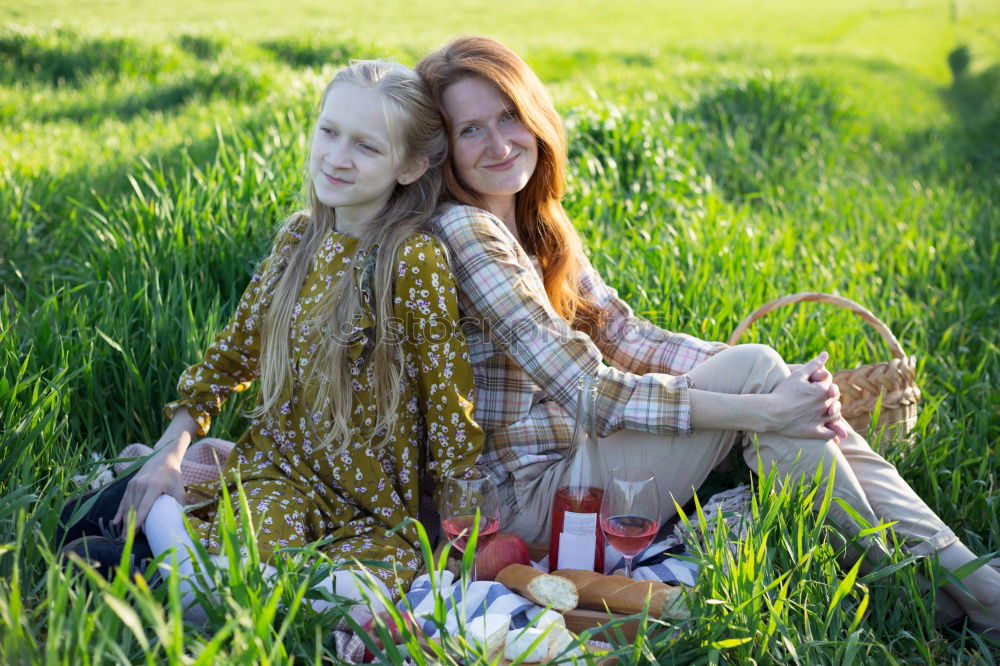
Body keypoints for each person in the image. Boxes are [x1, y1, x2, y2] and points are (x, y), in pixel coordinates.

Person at [414, 36, 999, 633]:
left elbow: (623, 333)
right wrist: (760, 405)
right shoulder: (467, 232)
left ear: (533, 113)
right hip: (525, 506)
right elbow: (591, 391)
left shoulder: (533, 219)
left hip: (576, 467)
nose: (499, 142)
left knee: (768, 377)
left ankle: (969, 586)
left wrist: (778, 387)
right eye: (471, 130)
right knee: (764, 387)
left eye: (510, 115)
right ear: (444, 152)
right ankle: (944, 593)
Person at [58, 60, 484, 624]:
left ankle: (160, 557)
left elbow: (450, 406)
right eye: (329, 131)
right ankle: (162, 530)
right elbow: (228, 360)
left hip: (370, 511)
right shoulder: (298, 241)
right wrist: (169, 455)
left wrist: (460, 542)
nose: (336, 156)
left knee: (347, 598)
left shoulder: (411, 258)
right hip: (276, 480)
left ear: (409, 166)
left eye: (366, 147)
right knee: (248, 552)